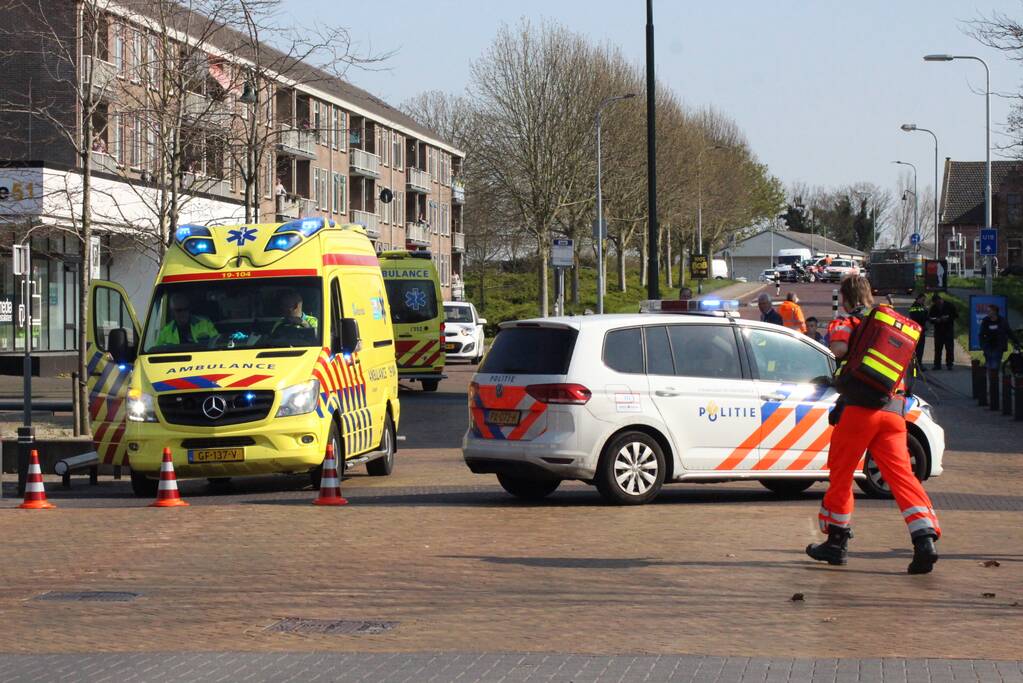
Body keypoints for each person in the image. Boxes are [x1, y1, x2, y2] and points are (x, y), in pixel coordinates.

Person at [807, 275, 940, 574]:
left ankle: (836, 542)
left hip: (859, 410)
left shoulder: (846, 322)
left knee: (841, 473)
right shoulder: (891, 323)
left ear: (845, 297)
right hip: (894, 411)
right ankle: (924, 540)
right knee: (902, 476)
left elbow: (839, 351)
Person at [979, 304, 1019, 373]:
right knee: (989, 364)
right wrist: (983, 345)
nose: (987, 312)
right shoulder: (985, 320)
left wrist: (1016, 341)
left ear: (994, 312)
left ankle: (994, 381)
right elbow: (981, 334)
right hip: (988, 346)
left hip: (999, 346)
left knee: (995, 366)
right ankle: (990, 381)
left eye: (989, 311)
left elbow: (1009, 332)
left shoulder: (1002, 321)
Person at [928, 294, 957, 370]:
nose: (938, 304)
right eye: (936, 303)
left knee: (949, 348)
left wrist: (947, 318)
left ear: (941, 300)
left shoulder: (949, 306)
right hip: (938, 330)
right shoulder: (933, 307)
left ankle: (949, 364)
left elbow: (955, 315)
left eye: (938, 302)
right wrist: (936, 320)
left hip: (948, 329)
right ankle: (937, 364)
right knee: (938, 348)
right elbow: (930, 318)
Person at [907, 293, 929, 367]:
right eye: (923, 300)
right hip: (916, 330)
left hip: (921, 330)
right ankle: (915, 366)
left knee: (920, 350)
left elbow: (925, 316)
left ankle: (918, 365)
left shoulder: (921, 306)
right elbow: (917, 317)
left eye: (924, 300)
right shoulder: (915, 307)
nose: (924, 301)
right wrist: (925, 313)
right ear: (919, 298)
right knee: (917, 350)